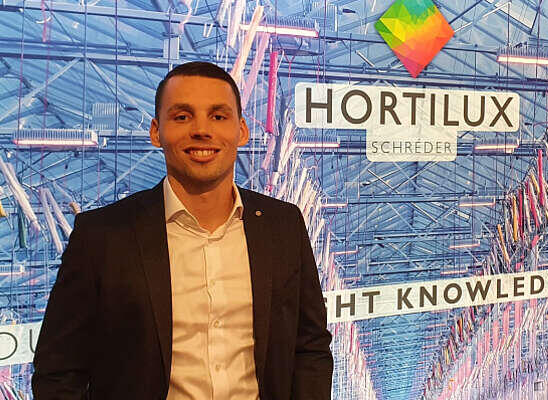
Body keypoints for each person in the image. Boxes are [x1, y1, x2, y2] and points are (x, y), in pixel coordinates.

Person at [32, 61, 333, 400]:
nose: (202, 130)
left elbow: (310, 345)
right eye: (182, 116)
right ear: (156, 132)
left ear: (242, 131)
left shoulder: (283, 225)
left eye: (218, 116)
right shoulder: (102, 236)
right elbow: (58, 370)